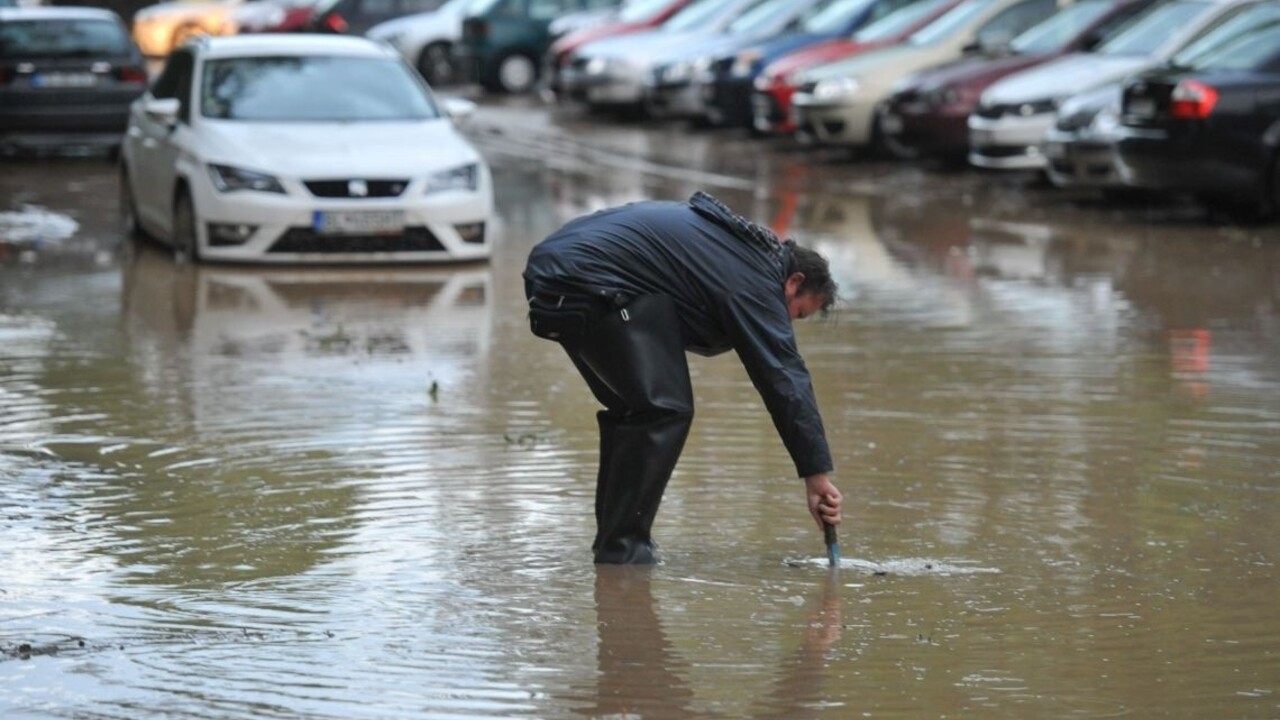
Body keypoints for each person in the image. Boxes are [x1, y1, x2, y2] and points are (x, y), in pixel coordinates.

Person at [523, 191, 842, 564]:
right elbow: (783, 376)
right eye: (796, 313)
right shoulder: (755, 275)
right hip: (586, 279)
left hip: (556, 275)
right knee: (664, 410)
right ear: (793, 282)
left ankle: (614, 550)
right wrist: (816, 474)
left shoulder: (738, 253)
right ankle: (623, 553)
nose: (784, 324)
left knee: (637, 410)